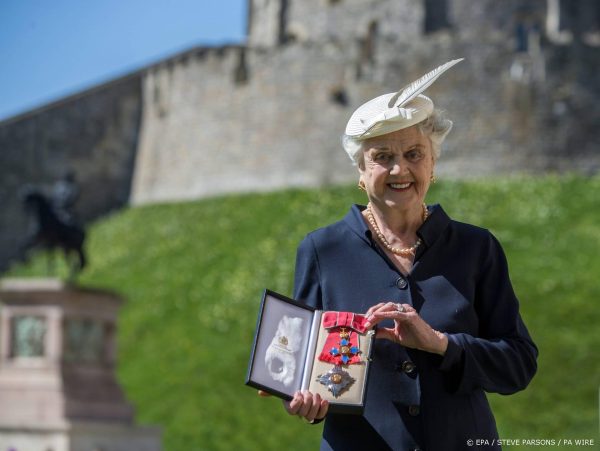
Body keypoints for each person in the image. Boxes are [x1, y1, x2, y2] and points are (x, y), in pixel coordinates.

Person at [283, 59, 538, 450]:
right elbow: (304, 371)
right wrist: (307, 401)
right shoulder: (322, 250)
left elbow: (518, 364)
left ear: (432, 164)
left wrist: (440, 343)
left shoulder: (476, 247)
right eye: (382, 156)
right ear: (361, 170)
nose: (400, 168)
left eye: (414, 154)